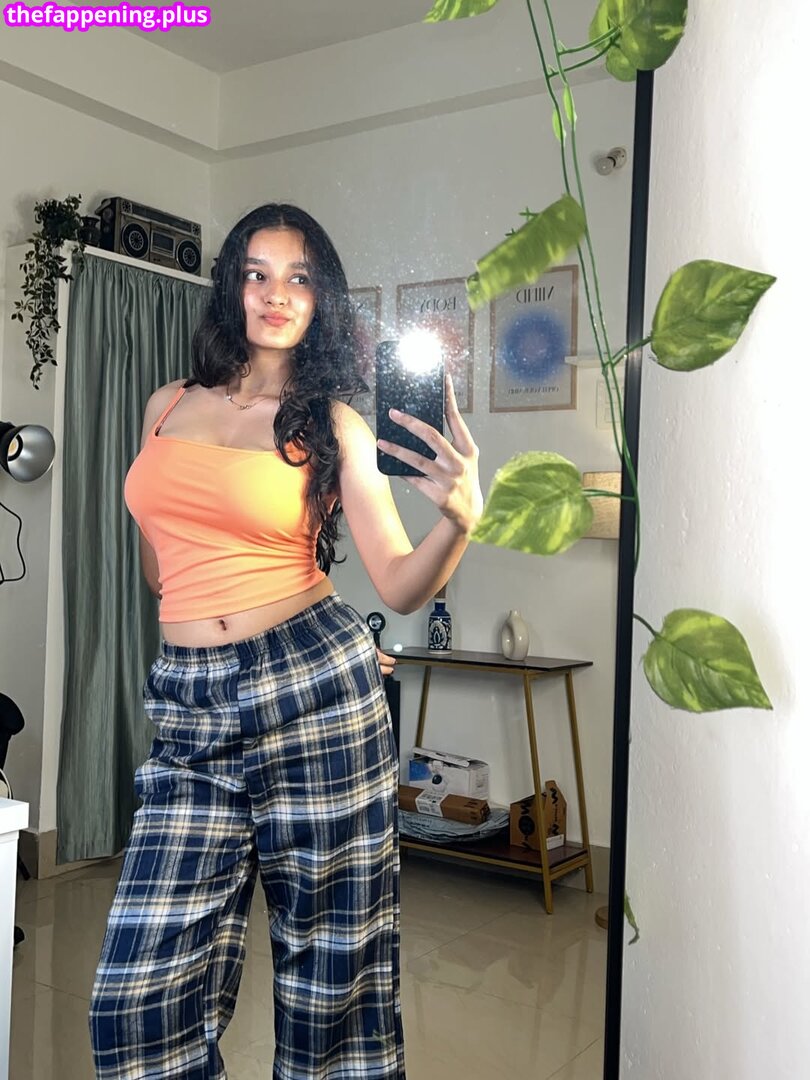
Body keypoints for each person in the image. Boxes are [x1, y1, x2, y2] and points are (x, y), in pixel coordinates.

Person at [88, 203, 482, 1079]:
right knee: (135, 1000)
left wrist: (461, 518)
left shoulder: (334, 424)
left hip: (313, 688)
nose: (276, 294)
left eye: (298, 278)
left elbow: (399, 582)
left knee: (331, 982)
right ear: (232, 288)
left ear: (320, 297)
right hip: (189, 698)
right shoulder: (166, 404)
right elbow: (163, 566)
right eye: (257, 274)